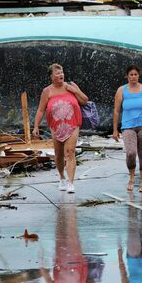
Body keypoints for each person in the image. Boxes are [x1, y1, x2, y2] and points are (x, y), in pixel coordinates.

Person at [33, 63, 88, 193]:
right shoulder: (47, 91)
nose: (61, 75)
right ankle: (62, 178)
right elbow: (41, 110)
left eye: (62, 72)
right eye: (57, 73)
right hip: (55, 125)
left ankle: (71, 182)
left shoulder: (71, 86)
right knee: (58, 155)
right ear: (51, 76)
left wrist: (75, 91)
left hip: (72, 123)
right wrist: (36, 126)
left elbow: (85, 100)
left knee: (70, 152)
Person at [41, 193, 104, 283]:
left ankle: (69, 206)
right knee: (63, 230)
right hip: (65, 257)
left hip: (73, 258)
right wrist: (41, 258)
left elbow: (91, 282)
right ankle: (65, 206)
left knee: (71, 231)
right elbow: (44, 273)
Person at [112, 65, 142, 192]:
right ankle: (132, 177)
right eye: (131, 74)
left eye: (135, 74)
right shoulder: (121, 90)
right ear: (127, 76)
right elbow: (117, 111)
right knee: (131, 153)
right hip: (128, 126)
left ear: (138, 75)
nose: (133, 77)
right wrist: (115, 130)